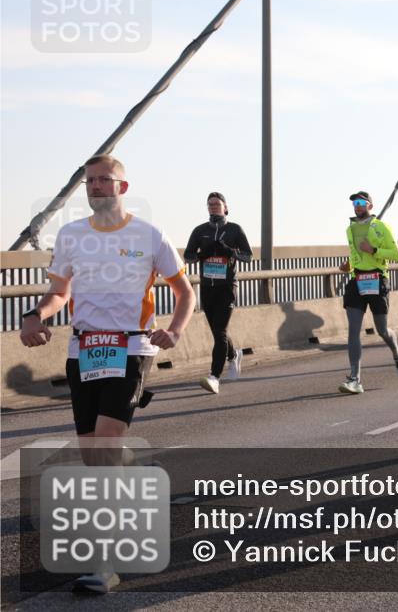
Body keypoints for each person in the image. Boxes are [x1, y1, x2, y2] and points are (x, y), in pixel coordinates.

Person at [19, 155, 196, 594]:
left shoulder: (149, 234)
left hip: (132, 347)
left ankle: (104, 563)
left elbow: (184, 292)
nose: (96, 186)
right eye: (90, 181)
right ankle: (126, 466)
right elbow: (60, 292)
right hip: (83, 350)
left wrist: (174, 330)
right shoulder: (71, 235)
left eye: (104, 180)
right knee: (94, 454)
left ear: (122, 186)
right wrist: (36, 314)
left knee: (101, 451)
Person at [339, 190, 398, 394]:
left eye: (361, 202)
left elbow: (396, 254)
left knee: (382, 330)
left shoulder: (381, 227)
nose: (357, 206)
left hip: (377, 279)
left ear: (370, 205)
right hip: (357, 280)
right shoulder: (350, 229)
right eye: (355, 203)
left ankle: (397, 353)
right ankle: (355, 379)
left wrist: (374, 250)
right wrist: (348, 265)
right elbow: (356, 256)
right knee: (353, 330)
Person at [183, 192, 253, 394]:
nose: (213, 207)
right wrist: (200, 255)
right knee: (217, 332)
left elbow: (247, 256)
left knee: (220, 331)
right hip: (207, 287)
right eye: (210, 204)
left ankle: (214, 376)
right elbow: (188, 257)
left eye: (217, 204)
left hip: (227, 287)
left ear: (225, 207)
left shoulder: (234, 229)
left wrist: (230, 251)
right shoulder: (200, 231)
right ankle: (233, 354)